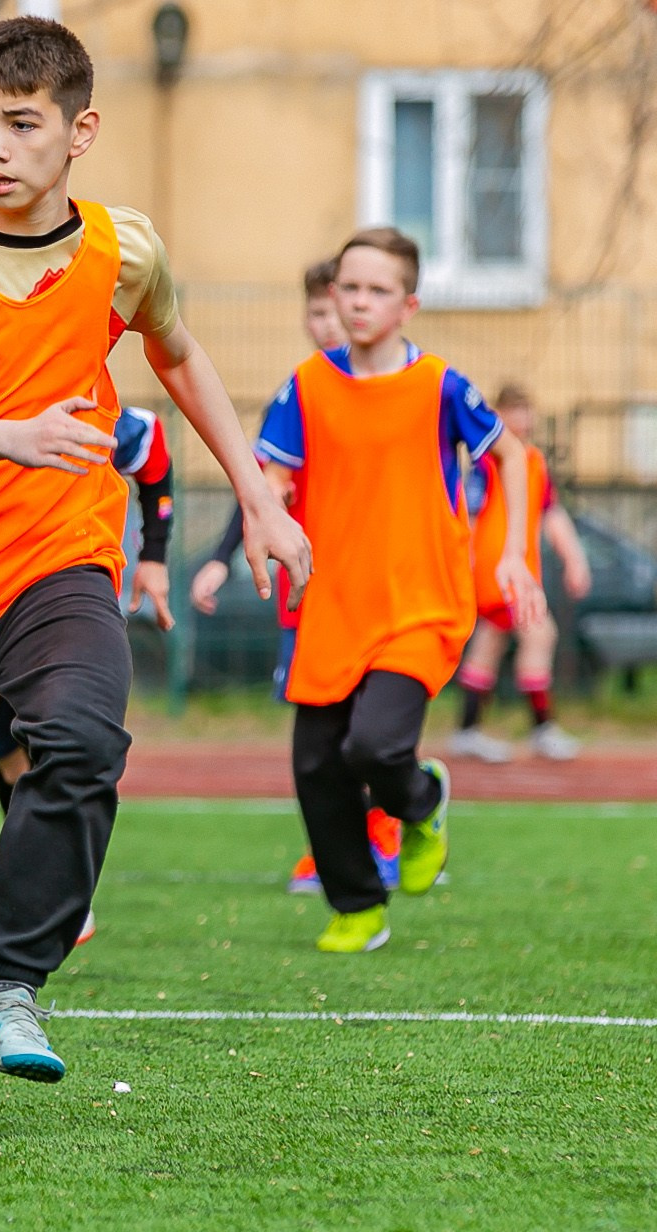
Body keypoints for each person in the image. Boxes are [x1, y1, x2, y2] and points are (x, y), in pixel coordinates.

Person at [0, 16, 310, 1082]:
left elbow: (179, 359)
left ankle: (12, 992)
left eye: (19, 124)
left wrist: (259, 498)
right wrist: (8, 434)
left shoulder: (121, 249)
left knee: (82, 742)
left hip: (59, 558)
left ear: (78, 130)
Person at [256, 227, 545, 955]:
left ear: (408, 303)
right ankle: (358, 905)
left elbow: (511, 457)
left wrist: (513, 552)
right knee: (315, 766)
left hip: (421, 604)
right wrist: (266, 522)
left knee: (377, 747)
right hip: (333, 604)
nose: (359, 302)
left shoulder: (440, 384)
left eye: (377, 290)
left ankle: (425, 801)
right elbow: (273, 476)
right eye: (348, 288)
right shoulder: (306, 384)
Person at [189, 260, 401, 896]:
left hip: (371, 592)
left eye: (333, 312)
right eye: (316, 313)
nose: (326, 324)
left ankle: (386, 833)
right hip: (307, 595)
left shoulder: (393, 391)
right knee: (322, 738)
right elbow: (260, 485)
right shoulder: (301, 393)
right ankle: (336, 848)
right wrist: (222, 554)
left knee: (367, 732)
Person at [0, 402, 177, 946]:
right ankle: (47, 868)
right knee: (13, 757)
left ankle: (61, 888)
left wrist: (155, 556)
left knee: (70, 740)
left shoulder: (95, 408)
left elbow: (154, 448)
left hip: (65, 601)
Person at [449, 382, 593, 764]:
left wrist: (574, 558)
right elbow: (471, 514)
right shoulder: (487, 461)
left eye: (527, 410)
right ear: (497, 415)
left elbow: (551, 513)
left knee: (490, 643)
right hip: (498, 571)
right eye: (515, 410)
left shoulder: (533, 461)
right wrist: (466, 563)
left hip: (518, 571)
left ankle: (467, 729)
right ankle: (543, 728)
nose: (523, 418)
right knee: (540, 633)